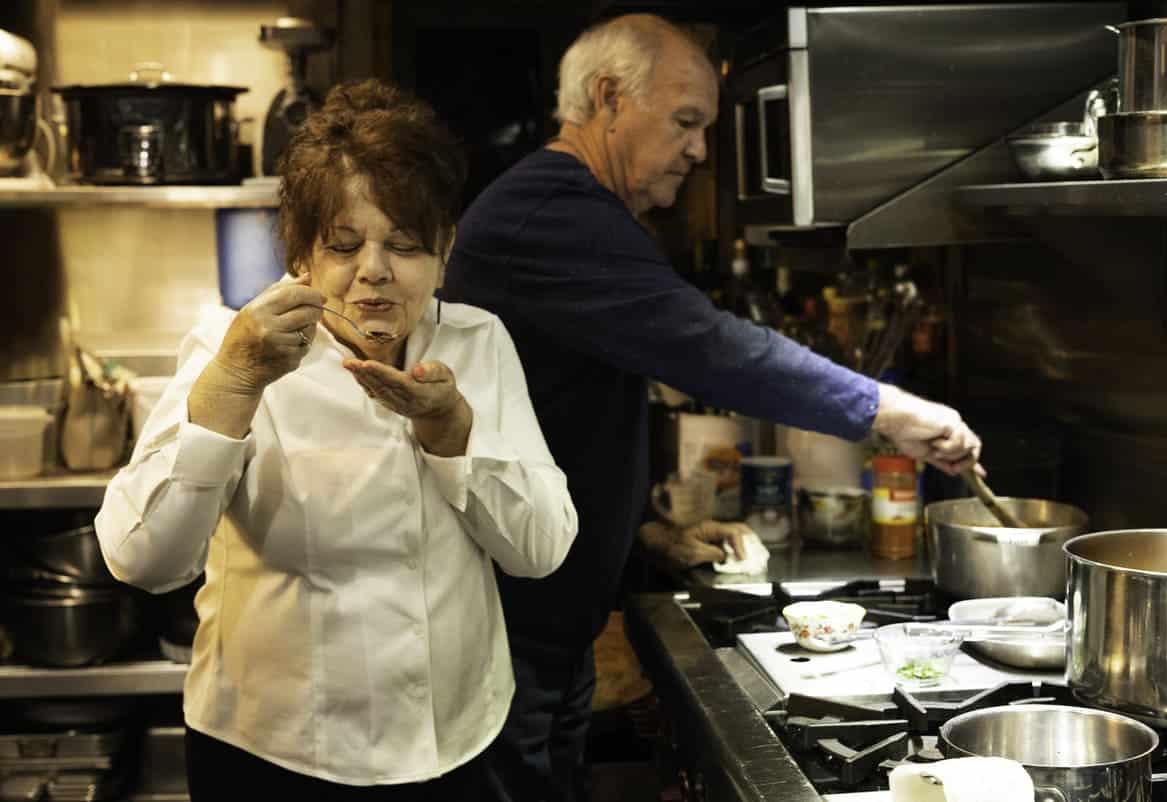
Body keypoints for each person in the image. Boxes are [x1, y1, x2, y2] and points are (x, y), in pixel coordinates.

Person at [440, 13, 983, 802]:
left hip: (540, 631)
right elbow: (711, 348)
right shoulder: (553, 212)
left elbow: (554, 422)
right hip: (505, 639)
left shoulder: (572, 211)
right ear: (608, 99)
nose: (699, 149)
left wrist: (647, 533)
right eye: (685, 121)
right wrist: (890, 411)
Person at [93, 79, 578, 801]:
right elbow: (142, 559)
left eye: (406, 244)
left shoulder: (479, 344)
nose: (375, 270)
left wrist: (452, 432)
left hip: (456, 739)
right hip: (272, 751)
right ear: (303, 257)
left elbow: (540, 549)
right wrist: (234, 381)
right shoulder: (235, 347)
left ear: (445, 252)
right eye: (344, 244)